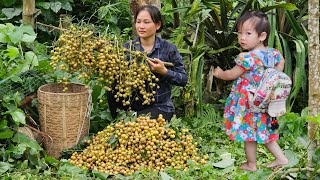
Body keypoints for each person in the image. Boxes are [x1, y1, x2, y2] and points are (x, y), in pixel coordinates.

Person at [212, 10, 288, 172]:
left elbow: (232, 74)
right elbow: (281, 63)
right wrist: (271, 76)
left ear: (262, 36)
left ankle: (251, 164)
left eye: (248, 33)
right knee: (263, 132)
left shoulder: (247, 58)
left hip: (249, 104)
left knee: (248, 134)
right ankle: (281, 158)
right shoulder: (273, 53)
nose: (242, 38)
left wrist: (219, 74)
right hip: (265, 103)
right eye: (239, 33)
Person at [108, 5, 188, 121]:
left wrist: (164, 72)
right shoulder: (127, 48)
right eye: (138, 22)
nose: (141, 26)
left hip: (160, 107)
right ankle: (119, 119)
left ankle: (130, 121)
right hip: (130, 105)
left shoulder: (169, 48)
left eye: (146, 22)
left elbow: (183, 79)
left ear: (157, 25)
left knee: (140, 127)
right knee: (111, 88)